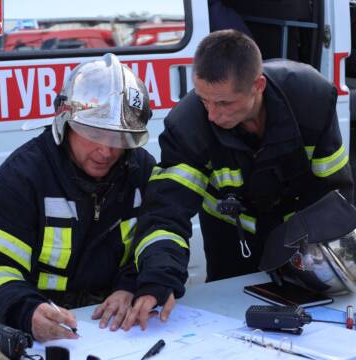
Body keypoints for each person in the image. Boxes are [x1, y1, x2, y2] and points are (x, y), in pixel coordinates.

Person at [122, 29, 354, 330]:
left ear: (258, 85)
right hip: (231, 240)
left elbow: (334, 193)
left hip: (301, 240)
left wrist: (336, 258)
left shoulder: (311, 100)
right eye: (204, 100)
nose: (212, 115)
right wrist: (157, 281)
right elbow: (165, 212)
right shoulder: (188, 126)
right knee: (230, 319)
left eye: (224, 103)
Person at [0, 53, 155, 341]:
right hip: (43, 329)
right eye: (94, 134)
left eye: (119, 139)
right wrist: (26, 310)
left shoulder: (140, 170)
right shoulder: (23, 176)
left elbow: (155, 244)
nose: (106, 152)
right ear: (64, 123)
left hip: (117, 331)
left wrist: (130, 286)